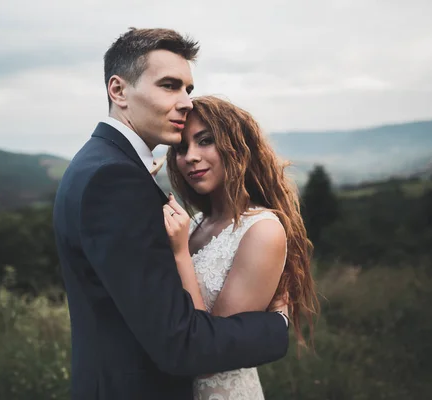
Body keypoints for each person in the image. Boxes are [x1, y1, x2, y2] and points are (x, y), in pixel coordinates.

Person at [53, 28, 291, 400]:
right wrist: (276, 326)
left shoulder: (101, 164)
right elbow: (182, 344)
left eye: (187, 89)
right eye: (169, 85)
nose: (184, 102)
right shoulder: (114, 178)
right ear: (118, 91)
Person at [163, 96, 320, 399]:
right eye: (182, 148)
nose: (190, 157)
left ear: (236, 146)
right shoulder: (194, 223)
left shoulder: (262, 230)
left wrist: (179, 253)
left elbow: (210, 353)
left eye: (205, 141)